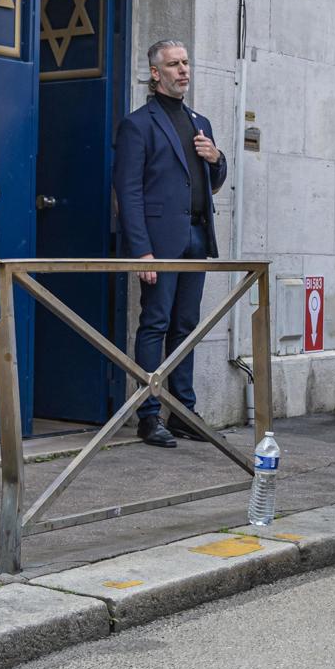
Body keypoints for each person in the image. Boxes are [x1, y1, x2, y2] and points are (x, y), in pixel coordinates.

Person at [113, 40, 227, 448]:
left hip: (197, 236)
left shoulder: (201, 122)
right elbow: (128, 192)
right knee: (156, 322)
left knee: (186, 326)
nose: (183, 71)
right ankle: (148, 415)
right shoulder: (138, 124)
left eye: (186, 63)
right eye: (174, 65)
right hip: (159, 244)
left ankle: (182, 412)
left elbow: (212, 182)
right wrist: (141, 250)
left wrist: (216, 158)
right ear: (155, 72)